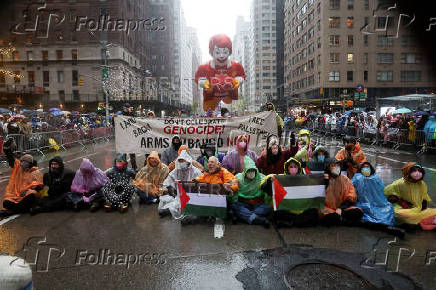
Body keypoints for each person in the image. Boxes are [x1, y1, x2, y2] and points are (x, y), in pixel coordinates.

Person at [261, 157, 319, 228]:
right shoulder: (280, 178)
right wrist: (269, 181)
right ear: (287, 168)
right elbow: (263, 186)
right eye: (291, 167)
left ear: (298, 168)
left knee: (314, 211)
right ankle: (297, 222)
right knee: (277, 213)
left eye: (295, 166)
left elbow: (315, 188)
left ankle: (291, 222)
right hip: (287, 209)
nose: (293, 168)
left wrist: (325, 180)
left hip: (301, 209)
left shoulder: (304, 179)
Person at [351, 162, 405, 237]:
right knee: (369, 210)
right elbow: (351, 188)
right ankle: (385, 227)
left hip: (378, 203)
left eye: (368, 167)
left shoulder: (376, 178)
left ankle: (384, 226)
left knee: (387, 208)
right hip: (363, 203)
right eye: (364, 167)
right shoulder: (357, 177)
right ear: (360, 169)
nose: (366, 169)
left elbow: (381, 191)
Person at [180, 156, 238, 225]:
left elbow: (235, 183)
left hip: (222, 202)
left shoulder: (224, 173)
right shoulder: (206, 175)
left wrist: (229, 188)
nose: (210, 164)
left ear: (217, 164)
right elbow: (195, 181)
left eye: (212, 162)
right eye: (209, 162)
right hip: (209, 202)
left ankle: (212, 216)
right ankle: (191, 218)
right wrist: (182, 184)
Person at [384, 163, 436, 229]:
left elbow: (424, 196)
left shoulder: (422, 184)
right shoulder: (400, 183)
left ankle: (417, 222)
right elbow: (389, 194)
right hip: (402, 208)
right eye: (414, 171)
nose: (417, 173)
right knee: (400, 214)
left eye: (419, 171)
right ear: (408, 172)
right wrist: (401, 202)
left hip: (417, 208)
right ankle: (419, 222)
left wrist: (423, 206)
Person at [0, 139, 43, 216]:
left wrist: (28, 190)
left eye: (24, 162)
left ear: (29, 163)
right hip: (16, 196)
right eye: (22, 161)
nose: (22, 163)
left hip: (27, 195)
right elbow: (11, 159)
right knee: (6, 203)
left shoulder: (36, 172)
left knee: (32, 195)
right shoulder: (18, 168)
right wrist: (6, 148)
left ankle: (11, 212)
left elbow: (39, 186)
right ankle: (21, 209)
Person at [320, 159, 363, 226]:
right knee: (330, 217)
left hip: (342, 208)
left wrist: (341, 208)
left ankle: (340, 217)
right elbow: (317, 198)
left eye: (338, 165)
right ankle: (341, 218)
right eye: (333, 166)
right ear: (328, 167)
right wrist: (325, 183)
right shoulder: (322, 179)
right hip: (327, 209)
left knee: (358, 212)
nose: (336, 168)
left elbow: (351, 195)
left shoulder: (345, 179)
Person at [160, 150, 203, 217]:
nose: (181, 163)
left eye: (183, 161)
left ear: (188, 161)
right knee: (165, 206)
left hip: (192, 197)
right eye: (180, 161)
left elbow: (200, 185)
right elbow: (169, 178)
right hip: (179, 196)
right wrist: (167, 187)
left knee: (189, 208)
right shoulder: (177, 170)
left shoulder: (196, 171)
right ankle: (173, 210)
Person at [231, 156, 271, 227]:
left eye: (253, 170)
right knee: (234, 206)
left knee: (268, 207)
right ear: (245, 170)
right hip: (243, 203)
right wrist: (233, 184)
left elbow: (268, 190)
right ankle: (257, 218)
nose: (251, 173)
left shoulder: (262, 177)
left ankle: (247, 216)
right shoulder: (238, 177)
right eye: (249, 171)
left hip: (258, 203)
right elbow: (233, 191)